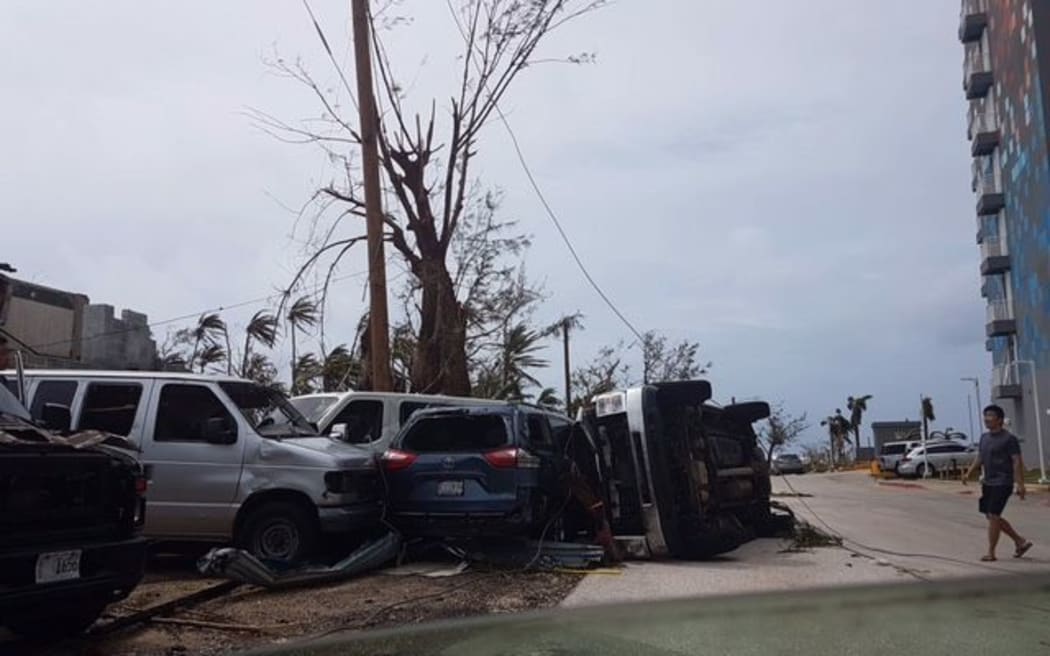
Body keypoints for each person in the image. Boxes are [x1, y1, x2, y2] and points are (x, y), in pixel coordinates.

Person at [962, 404, 1033, 562]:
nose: (986, 418)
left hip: (1003, 482)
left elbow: (1016, 461)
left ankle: (991, 552)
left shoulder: (1009, 439)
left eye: (990, 416)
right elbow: (980, 456)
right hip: (988, 482)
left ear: (999, 419)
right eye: (985, 415)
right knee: (991, 516)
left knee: (993, 515)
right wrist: (969, 472)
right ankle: (1020, 541)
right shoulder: (984, 438)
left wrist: (1020, 484)